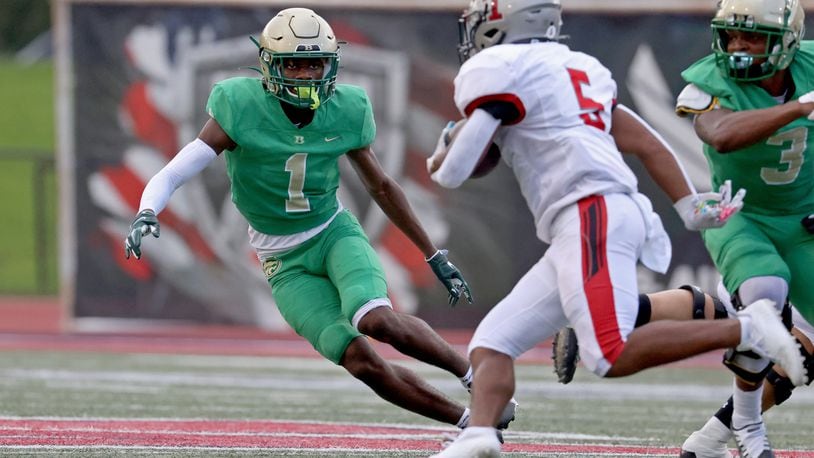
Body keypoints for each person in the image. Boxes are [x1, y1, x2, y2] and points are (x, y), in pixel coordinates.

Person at [425, 0, 806, 456]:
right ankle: (480, 435)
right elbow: (647, 140)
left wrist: (446, 147)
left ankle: (747, 330)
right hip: (598, 213)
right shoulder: (577, 67)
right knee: (491, 343)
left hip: (587, 211)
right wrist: (687, 207)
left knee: (608, 354)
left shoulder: (497, 67)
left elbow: (453, 172)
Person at [122, 7, 520, 433]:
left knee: (377, 319)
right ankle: (471, 422)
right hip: (282, 262)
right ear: (269, 65)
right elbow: (176, 170)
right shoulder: (239, 105)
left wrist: (432, 254)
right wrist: (148, 208)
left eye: (315, 64)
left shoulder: (346, 108)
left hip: (333, 234)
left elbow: (382, 187)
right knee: (360, 361)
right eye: (293, 62)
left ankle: (477, 379)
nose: (305, 75)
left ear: (331, 65)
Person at [671, 0, 814, 455]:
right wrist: (799, 107)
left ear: (786, 43)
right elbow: (722, 133)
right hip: (738, 211)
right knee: (764, 295)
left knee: (807, 353)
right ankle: (749, 428)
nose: (738, 47)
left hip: (803, 218)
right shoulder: (708, 79)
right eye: (731, 35)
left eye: (751, 37)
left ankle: (711, 438)